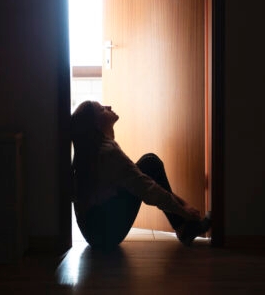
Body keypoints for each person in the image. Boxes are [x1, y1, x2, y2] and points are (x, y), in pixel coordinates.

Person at [70, 100, 210, 250]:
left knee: (148, 164)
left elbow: (141, 180)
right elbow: (146, 188)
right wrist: (183, 210)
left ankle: (184, 229)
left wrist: (183, 205)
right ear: (96, 125)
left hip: (94, 233)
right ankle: (185, 229)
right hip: (105, 235)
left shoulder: (96, 152)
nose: (109, 107)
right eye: (102, 109)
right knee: (150, 164)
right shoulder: (106, 153)